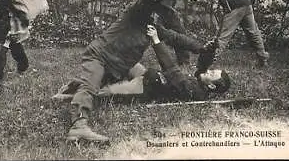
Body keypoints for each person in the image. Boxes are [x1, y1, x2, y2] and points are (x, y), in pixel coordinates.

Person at [58, 0, 191, 143]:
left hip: (116, 66)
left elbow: (177, 38)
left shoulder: (152, 23)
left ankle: (70, 89)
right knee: (90, 86)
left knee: (95, 84)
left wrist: (204, 47)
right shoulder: (138, 10)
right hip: (100, 56)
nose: (164, 11)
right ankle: (78, 127)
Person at [54, 24, 229, 108]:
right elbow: (202, 66)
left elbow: (172, 69)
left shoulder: (195, 92)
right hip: (146, 74)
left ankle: (66, 98)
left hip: (145, 87)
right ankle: (80, 83)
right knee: (119, 62)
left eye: (213, 73)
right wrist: (209, 49)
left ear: (212, 85)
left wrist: (156, 41)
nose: (209, 70)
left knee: (105, 93)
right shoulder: (201, 82)